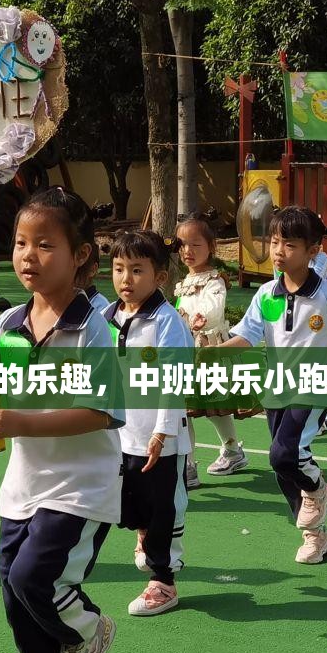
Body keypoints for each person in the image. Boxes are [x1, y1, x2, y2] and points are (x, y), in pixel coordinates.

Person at [0, 189, 123, 653]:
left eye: (46, 245)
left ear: (80, 255)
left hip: (81, 488)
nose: (28, 256)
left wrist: (20, 421)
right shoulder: (8, 320)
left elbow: (101, 411)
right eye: (20, 244)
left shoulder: (94, 327)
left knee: (37, 580)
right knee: (14, 596)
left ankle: (88, 629)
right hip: (23, 486)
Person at [222, 206, 327, 564]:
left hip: (314, 385)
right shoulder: (266, 294)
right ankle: (315, 535)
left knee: (284, 454)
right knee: (283, 466)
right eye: (274, 242)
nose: (278, 251)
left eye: (289, 244)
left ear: (312, 250)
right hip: (278, 386)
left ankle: (319, 488)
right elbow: (247, 335)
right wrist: (212, 354)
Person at [108, 228, 195, 618]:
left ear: (160, 277)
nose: (127, 280)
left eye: (137, 271)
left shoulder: (167, 321)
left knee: (165, 508)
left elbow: (175, 379)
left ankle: (164, 581)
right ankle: (145, 535)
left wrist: (163, 431)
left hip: (161, 438)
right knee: (131, 504)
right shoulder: (107, 316)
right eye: (119, 269)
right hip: (121, 435)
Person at [175, 216, 250, 479]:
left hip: (209, 351)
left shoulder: (214, 280)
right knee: (184, 411)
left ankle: (231, 449)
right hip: (187, 351)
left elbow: (214, 311)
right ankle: (188, 464)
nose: (188, 251)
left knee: (213, 407)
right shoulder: (183, 282)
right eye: (182, 244)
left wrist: (199, 318)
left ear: (211, 247)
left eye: (195, 244)